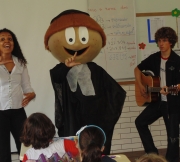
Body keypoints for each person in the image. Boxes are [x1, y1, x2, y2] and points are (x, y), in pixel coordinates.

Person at [44, 9, 126, 154]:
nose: (76, 46)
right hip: (73, 117)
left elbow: (115, 91)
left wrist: (107, 113)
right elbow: (56, 78)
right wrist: (66, 66)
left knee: (94, 147)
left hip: (95, 116)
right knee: (75, 149)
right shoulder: (61, 69)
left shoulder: (96, 69)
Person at [134, 27, 180, 162]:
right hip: (158, 102)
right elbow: (137, 69)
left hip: (172, 103)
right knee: (140, 122)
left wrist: (173, 88)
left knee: (172, 137)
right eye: (159, 40)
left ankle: (171, 160)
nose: (161, 44)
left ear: (170, 42)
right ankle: (152, 154)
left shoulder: (177, 61)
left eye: (164, 41)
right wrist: (141, 85)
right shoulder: (154, 58)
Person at [0, 28, 36, 162]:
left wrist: (31, 95)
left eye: (9, 38)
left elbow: (27, 86)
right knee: (2, 149)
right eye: (2, 39)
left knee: (25, 146)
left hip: (17, 111)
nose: (6, 41)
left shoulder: (20, 63)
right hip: (0, 112)